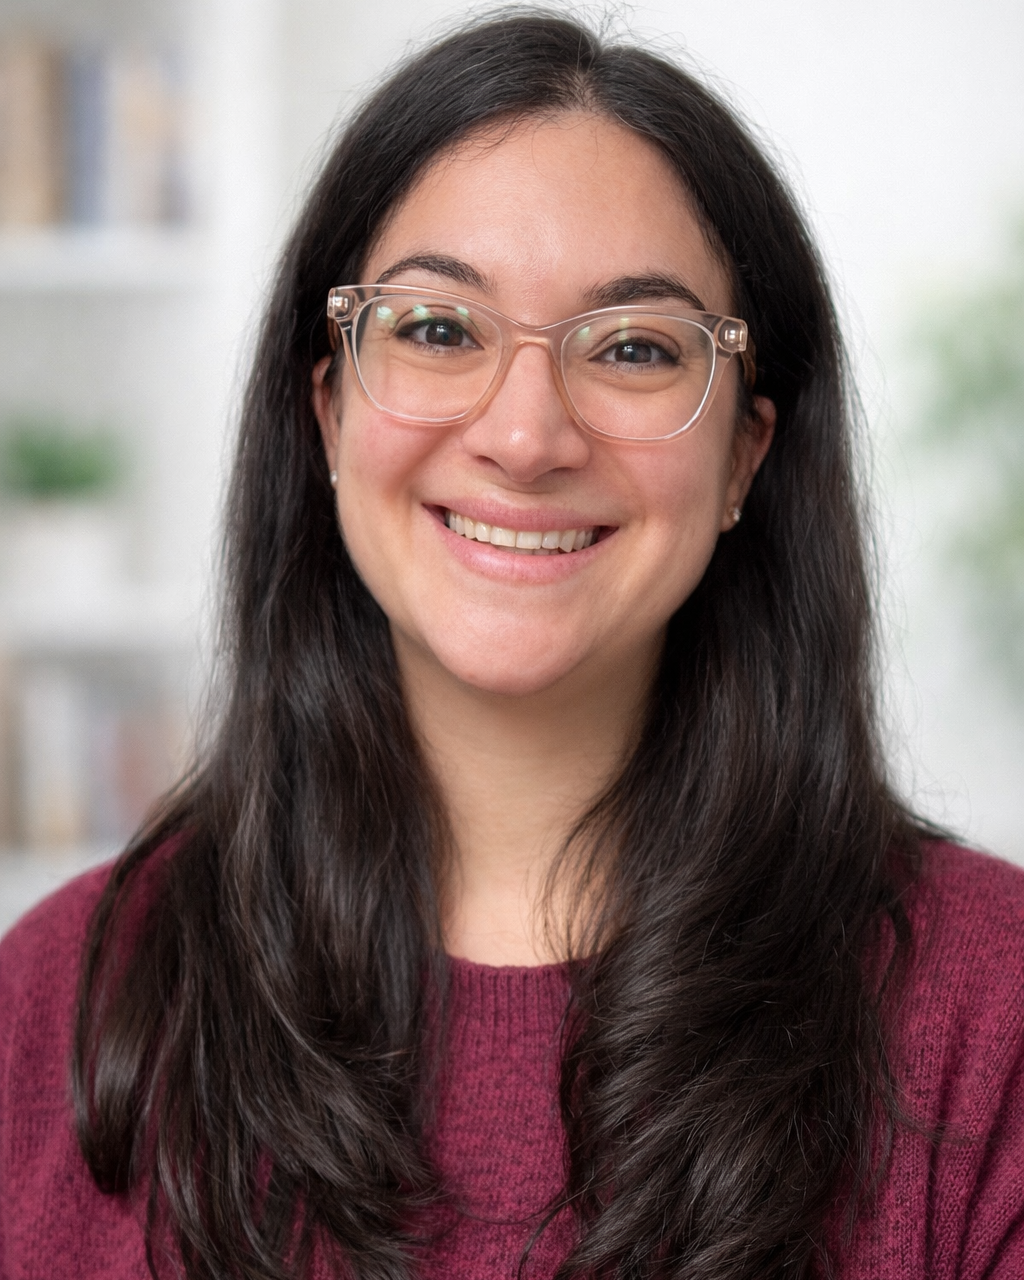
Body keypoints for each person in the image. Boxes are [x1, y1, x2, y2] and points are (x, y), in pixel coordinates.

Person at [2, 11, 1024, 1280]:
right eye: (437, 329)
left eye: (635, 348)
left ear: (743, 456)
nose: (526, 434)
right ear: (325, 409)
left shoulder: (993, 1015)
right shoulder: (57, 1003)